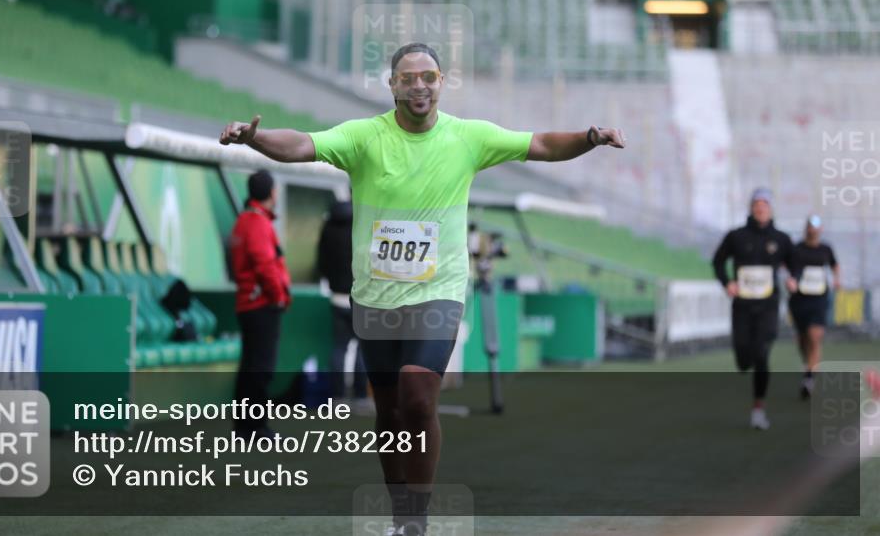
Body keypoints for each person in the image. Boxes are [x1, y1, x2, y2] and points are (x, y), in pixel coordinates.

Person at [220, 42, 625, 536]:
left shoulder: (468, 137)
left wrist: (589, 136)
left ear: (441, 82)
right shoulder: (364, 137)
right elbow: (302, 144)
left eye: (429, 76)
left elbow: (540, 145)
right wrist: (254, 140)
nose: (419, 85)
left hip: (439, 291)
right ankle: (400, 516)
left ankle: (417, 520)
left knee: (417, 397)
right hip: (374, 297)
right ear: (392, 85)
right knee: (388, 412)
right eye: (408, 77)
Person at [712, 187, 795, 431]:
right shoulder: (736, 236)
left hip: (768, 305)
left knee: (761, 354)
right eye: (757, 204)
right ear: (751, 208)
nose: (760, 208)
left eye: (765, 205)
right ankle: (744, 360)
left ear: (770, 209)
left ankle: (758, 408)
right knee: (743, 359)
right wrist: (727, 282)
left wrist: (793, 277)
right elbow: (718, 261)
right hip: (742, 306)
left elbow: (794, 263)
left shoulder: (781, 239)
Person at [229, 169, 291, 438]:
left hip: (249, 304)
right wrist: (278, 296)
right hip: (261, 305)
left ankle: (245, 427)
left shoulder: (245, 220)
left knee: (251, 366)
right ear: (272, 193)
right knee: (261, 368)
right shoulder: (257, 223)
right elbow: (265, 265)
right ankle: (256, 427)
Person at [317, 200, 370, 406]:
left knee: (339, 347)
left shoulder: (328, 227)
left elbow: (321, 261)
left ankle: (337, 396)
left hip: (336, 296)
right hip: (361, 297)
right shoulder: (362, 225)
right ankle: (360, 396)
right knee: (362, 348)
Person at [788, 214, 840, 399]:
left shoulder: (826, 249)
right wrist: (791, 280)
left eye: (816, 227)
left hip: (819, 299)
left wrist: (836, 279)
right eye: (810, 226)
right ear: (806, 229)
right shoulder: (797, 249)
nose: (813, 230)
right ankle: (808, 365)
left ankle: (810, 378)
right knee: (803, 339)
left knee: (815, 336)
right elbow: (788, 268)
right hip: (799, 300)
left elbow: (835, 265)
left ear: (821, 229)